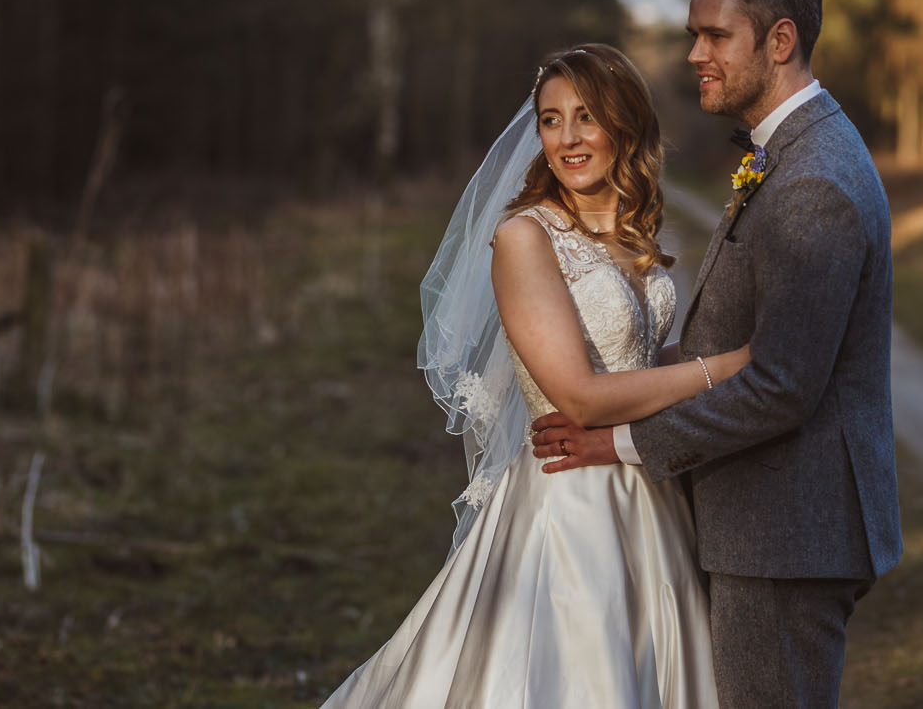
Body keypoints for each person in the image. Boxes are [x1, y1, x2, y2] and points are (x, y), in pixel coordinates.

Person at [532, 0, 903, 709]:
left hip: (786, 530)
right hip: (774, 524)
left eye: (714, 35)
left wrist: (622, 441)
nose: (694, 52)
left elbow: (780, 385)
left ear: (780, 40)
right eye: (694, 33)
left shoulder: (812, 182)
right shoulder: (790, 153)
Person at [319, 43, 745, 709]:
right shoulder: (525, 237)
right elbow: (577, 395)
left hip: (650, 493)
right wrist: (725, 367)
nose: (567, 137)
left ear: (625, 125)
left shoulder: (634, 235)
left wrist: (704, 362)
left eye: (586, 116)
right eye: (551, 118)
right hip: (570, 507)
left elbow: (636, 365)